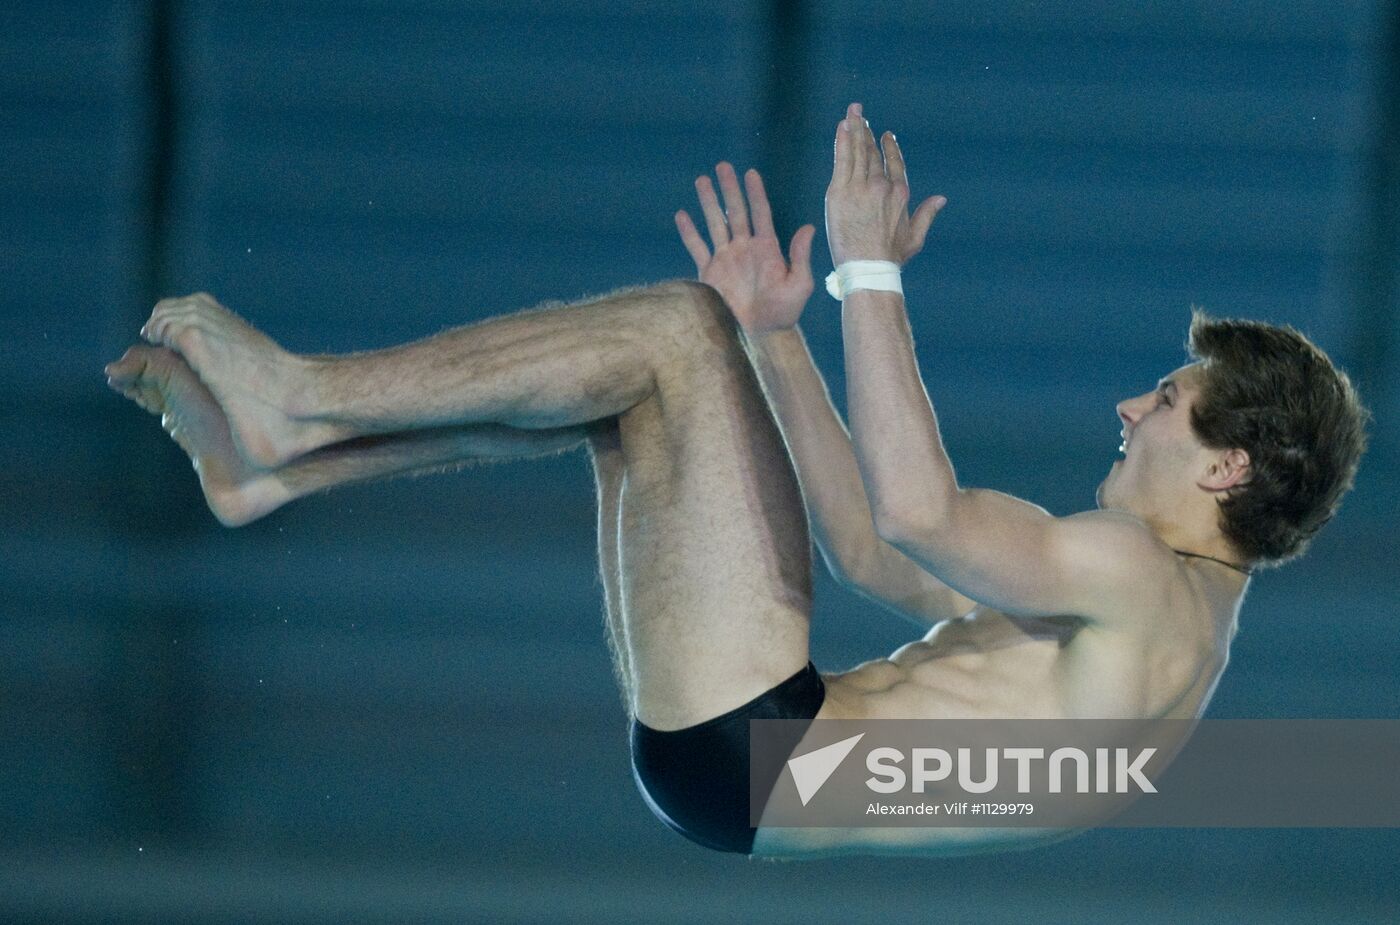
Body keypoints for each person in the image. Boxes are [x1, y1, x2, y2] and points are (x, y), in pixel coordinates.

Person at [105, 103, 1369, 858]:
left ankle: (298, 398)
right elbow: (877, 559)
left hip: (762, 747)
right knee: (642, 392)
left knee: (664, 332)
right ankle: (278, 471)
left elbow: (917, 509)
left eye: (1161, 400)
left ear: (1225, 463)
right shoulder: (1176, 635)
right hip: (754, 766)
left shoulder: (1142, 577)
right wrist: (774, 333)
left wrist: (867, 272)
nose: (1127, 408)